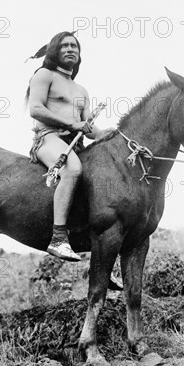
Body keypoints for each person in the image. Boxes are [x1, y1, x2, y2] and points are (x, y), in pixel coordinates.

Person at [26, 31, 112, 261]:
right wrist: (73, 124)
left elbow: (88, 128)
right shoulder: (44, 75)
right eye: (64, 46)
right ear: (55, 50)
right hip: (49, 138)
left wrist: (104, 133)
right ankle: (58, 239)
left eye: (74, 46)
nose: (70, 49)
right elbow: (36, 109)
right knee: (72, 169)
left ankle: (98, 250)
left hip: (75, 143)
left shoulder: (81, 90)